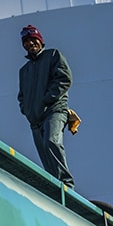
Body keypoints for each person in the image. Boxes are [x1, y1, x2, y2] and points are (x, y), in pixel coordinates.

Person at [17, 24, 75, 188]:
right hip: (35, 119)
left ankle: (66, 183)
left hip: (54, 110)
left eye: (33, 39)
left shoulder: (53, 55)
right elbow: (21, 95)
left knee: (52, 141)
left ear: (40, 41)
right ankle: (57, 188)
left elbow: (65, 79)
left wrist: (47, 99)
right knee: (45, 154)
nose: (30, 44)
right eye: (26, 41)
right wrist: (26, 109)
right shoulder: (24, 71)